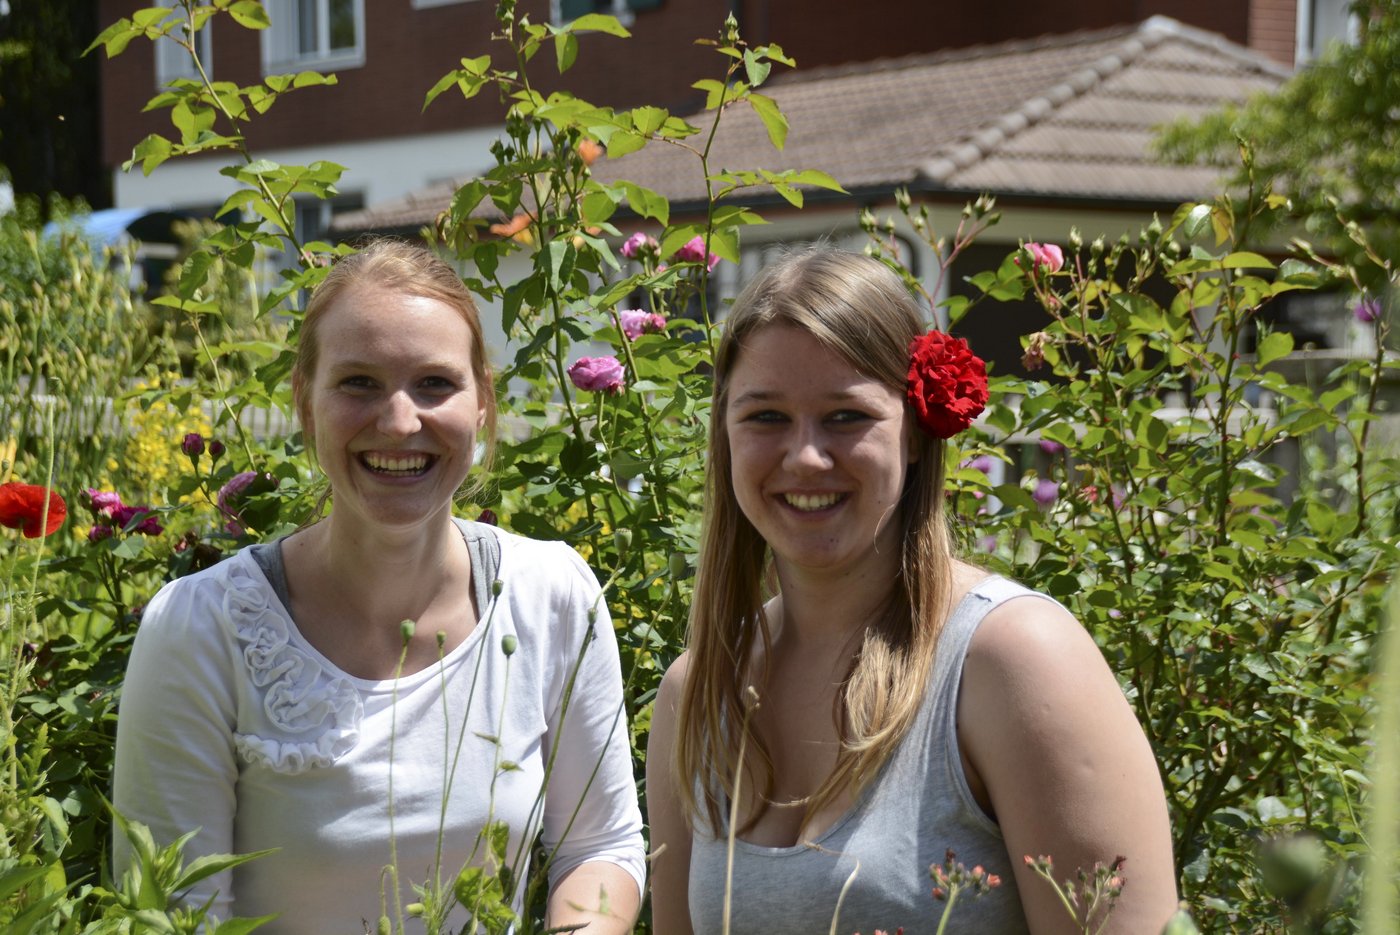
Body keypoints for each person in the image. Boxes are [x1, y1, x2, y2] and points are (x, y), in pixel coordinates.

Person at [112, 240, 644, 934]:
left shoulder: (553, 595)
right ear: (304, 401)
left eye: (434, 384)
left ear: (483, 401)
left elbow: (600, 846)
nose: (398, 421)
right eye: (359, 382)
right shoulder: (199, 629)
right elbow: (171, 913)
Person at [646, 248, 1178, 935]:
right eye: (766, 416)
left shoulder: (1014, 661)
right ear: (723, 431)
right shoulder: (696, 694)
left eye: (846, 416)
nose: (806, 456)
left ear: (919, 432)